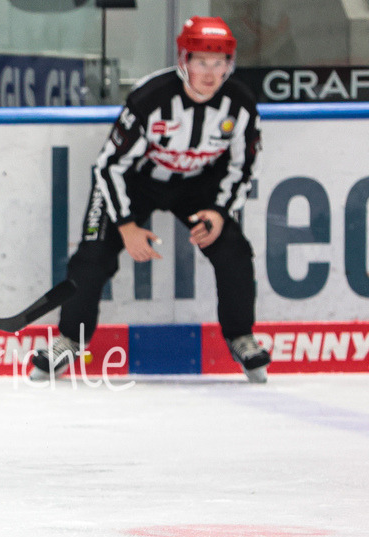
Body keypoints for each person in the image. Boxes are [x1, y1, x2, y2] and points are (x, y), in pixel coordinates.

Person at [31, 16, 271, 383]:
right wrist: (126, 226)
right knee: (92, 256)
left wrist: (220, 212)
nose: (210, 73)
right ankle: (70, 339)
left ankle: (241, 335)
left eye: (219, 62)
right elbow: (108, 166)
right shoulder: (151, 98)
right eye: (201, 62)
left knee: (234, 251)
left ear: (230, 64)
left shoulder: (240, 105)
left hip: (196, 188)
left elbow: (243, 166)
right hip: (133, 182)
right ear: (184, 60)